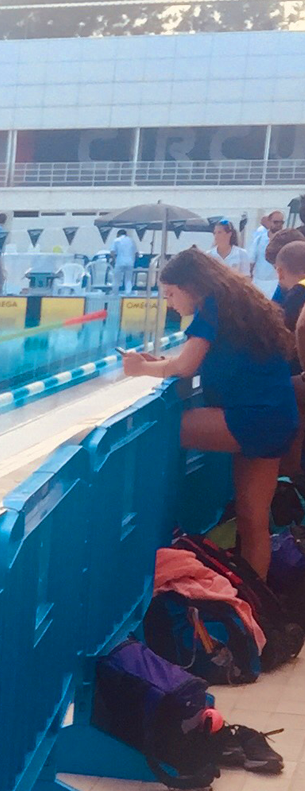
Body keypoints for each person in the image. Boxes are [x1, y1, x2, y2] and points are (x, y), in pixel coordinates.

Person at [125, 248, 299, 580]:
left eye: (172, 294)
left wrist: (141, 369)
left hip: (254, 418)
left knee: (162, 427)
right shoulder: (237, 303)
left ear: (191, 285)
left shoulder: (211, 308)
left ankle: (155, 516)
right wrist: (157, 364)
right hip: (277, 418)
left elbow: (186, 365)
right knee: (253, 520)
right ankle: (254, 606)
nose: (171, 303)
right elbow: (193, 361)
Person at [110, 227, 138, 294]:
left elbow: (112, 252)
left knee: (116, 279)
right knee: (128, 279)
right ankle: (128, 292)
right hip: (130, 262)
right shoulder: (131, 241)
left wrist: (114, 260)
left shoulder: (116, 240)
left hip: (120, 261)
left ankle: (115, 292)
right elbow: (136, 253)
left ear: (118, 234)